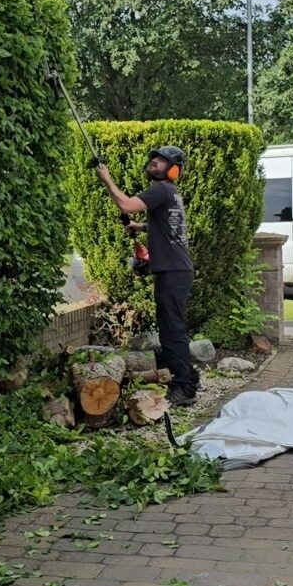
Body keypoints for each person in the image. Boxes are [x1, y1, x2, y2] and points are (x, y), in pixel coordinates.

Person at [95, 146, 198, 407]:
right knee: (173, 328)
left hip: (173, 272)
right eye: (154, 158)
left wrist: (106, 179)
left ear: (173, 170)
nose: (155, 162)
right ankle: (190, 377)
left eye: (162, 161)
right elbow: (165, 225)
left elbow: (126, 205)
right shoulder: (170, 193)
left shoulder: (161, 189)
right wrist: (141, 227)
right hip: (177, 270)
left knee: (171, 331)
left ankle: (184, 388)